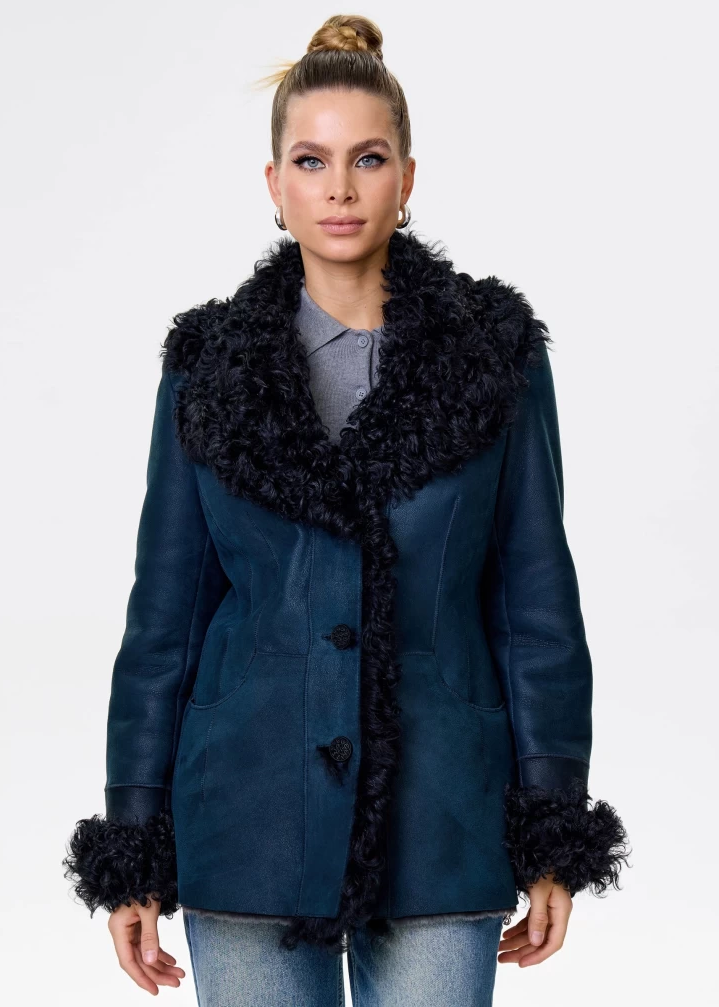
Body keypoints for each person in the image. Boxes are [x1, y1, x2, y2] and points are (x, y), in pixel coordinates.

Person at [62, 14, 631, 1005]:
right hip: (246, 814)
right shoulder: (208, 371)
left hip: (442, 816)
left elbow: (534, 604)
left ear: (407, 178)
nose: (338, 188)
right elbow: (164, 624)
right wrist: (135, 836)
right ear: (273, 184)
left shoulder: (493, 359)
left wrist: (552, 819)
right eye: (310, 161)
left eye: (366, 159)